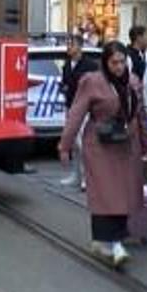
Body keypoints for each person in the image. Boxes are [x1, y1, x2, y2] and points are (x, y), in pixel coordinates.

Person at [58, 41, 147, 268]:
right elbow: (76, 114)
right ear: (105, 62)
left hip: (126, 146)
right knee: (106, 193)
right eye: (114, 63)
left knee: (124, 194)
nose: (119, 67)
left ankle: (110, 240)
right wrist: (65, 145)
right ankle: (112, 243)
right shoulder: (92, 82)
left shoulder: (133, 83)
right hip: (100, 146)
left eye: (122, 62)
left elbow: (141, 117)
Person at [58, 35, 99, 189]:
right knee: (73, 143)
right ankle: (76, 175)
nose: (68, 47)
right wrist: (63, 88)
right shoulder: (67, 65)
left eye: (71, 44)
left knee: (83, 143)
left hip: (85, 108)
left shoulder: (90, 65)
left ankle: (87, 178)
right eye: (67, 44)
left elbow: (95, 85)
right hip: (70, 106)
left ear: (80, 47)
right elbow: (64, 83)